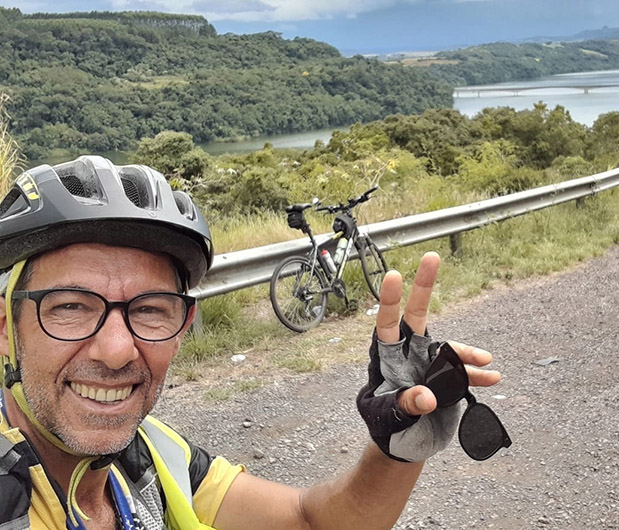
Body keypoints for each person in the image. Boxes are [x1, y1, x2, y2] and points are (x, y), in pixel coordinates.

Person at [0, 156, 505, 530]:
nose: (116, 351)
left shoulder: (153, 454)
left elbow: (310, 522)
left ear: (183, 325)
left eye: (149, 309)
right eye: (70, 307)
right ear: (6, 328)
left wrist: (396, 449)